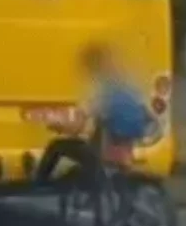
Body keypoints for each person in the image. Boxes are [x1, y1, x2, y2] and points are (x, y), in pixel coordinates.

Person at [34, 41, 152, 183]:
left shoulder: (101, 91)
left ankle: (38, 186)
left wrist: (57, 127)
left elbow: (76, 126)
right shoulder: (130, 88)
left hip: (103, 158)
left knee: (57, 147)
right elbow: (147, 118)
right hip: (126, 157)